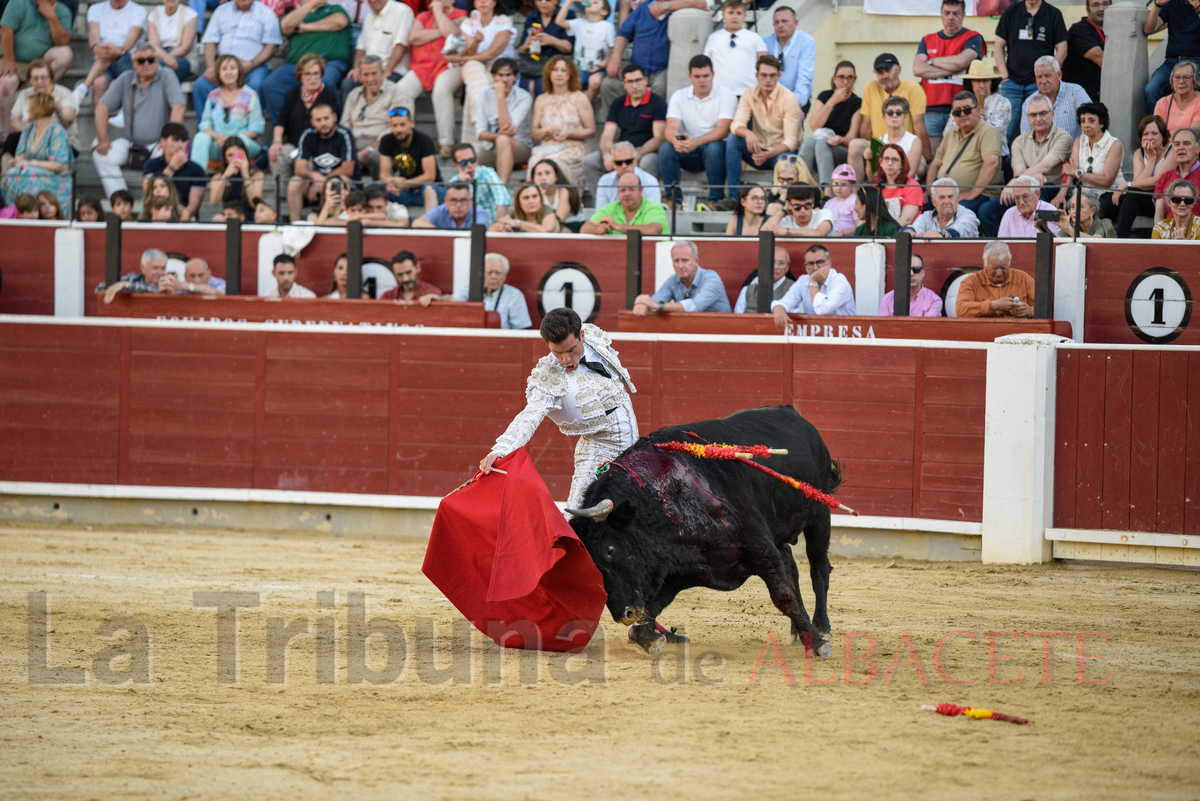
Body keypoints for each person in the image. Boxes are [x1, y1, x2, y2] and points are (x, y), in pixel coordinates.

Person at [479, 308, 642, 530]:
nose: (566, 359)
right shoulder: (549, 375)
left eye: (572, 350)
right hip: (599, 447)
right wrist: (500, 450)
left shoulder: (594, 337)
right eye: (557, 353)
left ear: (582, 336)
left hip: (633, 440)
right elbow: (530, 415)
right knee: (576, 519)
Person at [92, 41, 186, 198]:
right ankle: (121, 200)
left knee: (170, 155)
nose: (147, 64)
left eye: (151, 59)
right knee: (101, 155)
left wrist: (170, 140)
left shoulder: (166, 75)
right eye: (141, 61)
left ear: (157, 60)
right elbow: (102, 107)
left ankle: (156, 202)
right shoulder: (125, 78)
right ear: (133, 63)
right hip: (130, 143)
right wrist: (102, 139)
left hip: (159, 145)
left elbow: (179, 107)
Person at [978, 93, 1070, 236]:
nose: (1038, 118)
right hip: (1023, 189)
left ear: (1052, 114)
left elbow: (1045, 166)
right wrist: (1026, 180)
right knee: (987, 210)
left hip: (1051, 188)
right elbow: (1019, 174)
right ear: (1028, 118)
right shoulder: (1019, 141)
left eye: (1043, 113)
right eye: (1033, 115)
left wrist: (1013, 183)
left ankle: (1037, 246)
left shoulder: (1063, 137)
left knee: (1040, 191)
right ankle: (1003, 248)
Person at [597, 0, 707, 117]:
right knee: (609, 85)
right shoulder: (644, 7)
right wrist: (616, 58)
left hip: (661, 69)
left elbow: (702, 4)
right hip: (637, 67)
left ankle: (653, 130)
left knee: (661, 87)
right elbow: (623, 33)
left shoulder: (679, 5)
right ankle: (617, 129)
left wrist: (666, 6)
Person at [659, 54, 735, 210]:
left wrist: (696, 142)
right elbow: (671, 127)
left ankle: (715, 199)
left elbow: (723, 130)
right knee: (666, 148)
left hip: (714, 149)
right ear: (690, 77)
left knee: (714, 147)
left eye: (706, 76)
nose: (702, 80)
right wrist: (677, 141)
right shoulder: (679, 96)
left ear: (713, 75)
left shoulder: (726, 95)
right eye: (697, 76)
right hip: (690, 147)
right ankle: (673, 199)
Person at [393, 0, 467, 156]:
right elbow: (413, 38)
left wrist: (439, 13)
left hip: (450, 65)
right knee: (401, 90)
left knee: (441, 90)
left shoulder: (462, 15)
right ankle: (407, 141)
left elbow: (453, 34)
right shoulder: (423, 16)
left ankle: (446, 143)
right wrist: (442, 31)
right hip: (422, 66)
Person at [260, 0, 352, 124]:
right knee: (271, 84)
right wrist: (309, 5)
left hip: (328, 63)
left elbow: (340, 22)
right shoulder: (297, 14)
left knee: (324, 81)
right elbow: (286, 25)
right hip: (297, 66)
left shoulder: (334, 9)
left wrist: (306, 27)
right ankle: (284, 129)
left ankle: (330, 129)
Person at [725, 55, 801, 204]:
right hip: (757, 149)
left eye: (772, 75)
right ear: (757, 76)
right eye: (764, 75)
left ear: (779, 76)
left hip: (781, 152)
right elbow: (735, 124)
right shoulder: (749, 94)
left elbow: (791, 141)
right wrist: (748, 133)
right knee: (734, 140)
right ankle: (734, 197)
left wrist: (767, 155)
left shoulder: (789, 98)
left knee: (785, 159)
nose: (768, 80)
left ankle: (780, 201)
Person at [912, 0, 985, 155]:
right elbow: (918, 69)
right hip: (931, 109)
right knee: (933, 158)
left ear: (963, 15)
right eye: (947, 13)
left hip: (961, 110)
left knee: (959, 155)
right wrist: (952, 68)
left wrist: (931, 62)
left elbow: (962, 62)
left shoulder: (973, 38)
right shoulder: (927, 40)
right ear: (941, 14)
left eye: (956, 14)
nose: (951, 17)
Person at [445, 0, 517, 149]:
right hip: (477, 66)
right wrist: (476, 42)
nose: (483, 1)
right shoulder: (469, 22)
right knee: (473, 68)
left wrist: (460, 59)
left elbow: (491, 54)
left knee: (473, 75)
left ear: (495, 2)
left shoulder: (503, 21)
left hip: (501, 69)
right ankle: (486, 124)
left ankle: (480, 134)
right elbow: (471, 52)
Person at [848, 53, 930, 184]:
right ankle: (855, 195)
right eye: (880, 72)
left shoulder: (913, 87)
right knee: (855, 145)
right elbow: (866, 127)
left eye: (888, 70)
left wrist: (929, 159)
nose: (884, 76)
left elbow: (919, 126)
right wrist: (873, 152)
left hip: (906, 147)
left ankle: (898, 191)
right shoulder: (871, 87)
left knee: (920, 169)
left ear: (899, 70)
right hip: (880, 145)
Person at [190, 0, 281, 118]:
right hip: (223, 66)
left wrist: (253, 63)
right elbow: (210, 42)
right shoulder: (221, 11)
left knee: (256, 84)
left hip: (254, 66)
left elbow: (272, 46)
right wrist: (211, 66)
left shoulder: (266, 13)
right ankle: (205, 130)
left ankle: (248, 131)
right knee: (201, 85)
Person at [584, 63, 666, 191]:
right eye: (630, 82)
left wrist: (637, 155)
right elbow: (607, 135)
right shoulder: (618, 103)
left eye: (638, 80)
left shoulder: (658, 103)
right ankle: (603, 206)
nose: (635, 86)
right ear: (624, 84)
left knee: (648, 162)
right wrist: (607, 154)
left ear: (646, 80)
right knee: (589, 162)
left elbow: (659, 138)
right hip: (623, 150)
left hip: (646, 152)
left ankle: (645, 205)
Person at [994, 0, 1068, 142]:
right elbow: (998, 46)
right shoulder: (1011, 12)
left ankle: (1036, 163)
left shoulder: (1053, 14)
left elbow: (1063, 48)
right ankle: (997, 162)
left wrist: (1049, 76)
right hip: (1011, 83)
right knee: (1001, 128)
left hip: (1039, 84)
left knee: (1040, 126)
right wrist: (1004, 76)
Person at [269, 54, 342, 188]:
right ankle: (282, 197)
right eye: (308, 74)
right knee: (278, 154)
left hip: (318, 147)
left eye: (316, 73)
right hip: (294, 145)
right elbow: (281, 121)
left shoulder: (329, 94)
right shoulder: (292, 94)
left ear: (321, 74)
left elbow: (333, 124)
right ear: (300, 76)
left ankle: (305, 197)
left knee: (306, 160)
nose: (312, 78)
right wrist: (277, 141)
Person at [926, 90, 1003, 217]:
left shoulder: (988, 132)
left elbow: (991, 162)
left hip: (980, 194)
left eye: (967, 110)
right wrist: (930, 191)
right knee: (920, 208)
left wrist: (973, 193)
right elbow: (935, 164)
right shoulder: (951, 134)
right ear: (953, 116)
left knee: (953, 212)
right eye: (957, 112)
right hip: (946, 195)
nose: (962, 114)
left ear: (978, 110)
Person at [0, 0, 72, 132]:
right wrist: (9, 61)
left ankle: (34, 89)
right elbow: (6, 30)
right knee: (6, 82)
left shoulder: (63, 11)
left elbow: (62, 41)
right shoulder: (18, 3)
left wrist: (52, 17)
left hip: (41, 64)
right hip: (15, 60)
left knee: (65, 53)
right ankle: (6, 131)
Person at [528, 54, 595, 184]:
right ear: (549, 73)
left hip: (573, 147)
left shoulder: (579, 97)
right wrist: (546, 131)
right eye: (555, 70)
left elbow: (591, 130)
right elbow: (533, 133)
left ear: (570, 74)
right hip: (548, 147)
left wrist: (569, 134)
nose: (559, 74)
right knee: (534, 161)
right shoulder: (541, 99)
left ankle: (563, 200)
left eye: (563, 70)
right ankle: (538, 200)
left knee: (553, 163)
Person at [287, 102, 357, 222]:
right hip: (317, 186)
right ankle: (295, 225)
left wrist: (323, 181)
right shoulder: (308, 135)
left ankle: (340, 222)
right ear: (312, 122)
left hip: (339, 183)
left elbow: (348, 169)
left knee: (338, 181)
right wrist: (315, 176)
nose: (323, 123)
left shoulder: (344, 134)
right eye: (318, 120)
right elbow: (299, 168)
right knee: (295, 182)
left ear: (334, 117)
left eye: (326, 118)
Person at [193, 55, 266, 169]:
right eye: (224, 69)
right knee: (201, 137)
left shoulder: (250, 95)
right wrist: (217, 137)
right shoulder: (213, 96)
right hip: (219, 144)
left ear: (239, 71)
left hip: (244, 142)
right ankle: (197, 180)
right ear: (218, 73)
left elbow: (256, 127)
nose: (229, 72)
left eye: (232, 68)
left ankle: (237, 180)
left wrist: (232, 140)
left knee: (240, 142)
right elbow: (205, 124)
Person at [0, 89, 68, 211]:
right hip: (30, 170)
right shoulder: (29, 128)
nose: (27, 110)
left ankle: (30, 211)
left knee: (28, 173)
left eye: (30, 107)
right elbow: (20, 153)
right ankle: (12, 212)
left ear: (39, 109)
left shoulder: (57, 131)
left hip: (54, 177)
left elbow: (60, 165)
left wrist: (31, 163)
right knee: (10, 174)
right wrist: (19, 161)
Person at [5, 58, 77, 171]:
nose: (39, 81)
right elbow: (14, 120)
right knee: (12, 139)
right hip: (31, 138)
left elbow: (69, 119)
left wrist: (60, 112)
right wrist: (30, 134)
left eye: (44, 78)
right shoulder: (25, 94)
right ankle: (7, 176)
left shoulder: (63, 93)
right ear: (30, 80)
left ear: (51, 79)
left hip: (58, 138)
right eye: (35, 78)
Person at [73, 0, 145, 110]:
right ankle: (100, 123)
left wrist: (119, 51)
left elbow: (132, 38)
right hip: (102, 60)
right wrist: (97, 48)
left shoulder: (138, 10)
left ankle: (83, 87)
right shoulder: (96, 9)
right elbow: (93, 34)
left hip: (127, 58)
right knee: (98, 82)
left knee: (110, 53)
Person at [800, 61, 862, 188]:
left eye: (850, 77)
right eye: (841, 77)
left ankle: (827, 191)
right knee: (808, 143)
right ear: (834, 79)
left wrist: (840, 139)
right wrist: (833, 101)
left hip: (841, 147)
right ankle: (802, 187)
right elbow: (814, 125)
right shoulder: (825, 96)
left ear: (855, 79)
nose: (845, 82)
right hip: (820, 147)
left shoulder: (857, 103)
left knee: (822, 144)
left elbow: (851, 138)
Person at [1111, 115, 1173, 238]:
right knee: (1125, 197)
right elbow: (1138, 183)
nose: (1149, 137)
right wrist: (1151, 160)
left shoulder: (1171, 151)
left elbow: (1157, 181)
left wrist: (1125, 184)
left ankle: (1120, 238)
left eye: (1154, 133)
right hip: (1148, 200)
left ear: (1163, 135)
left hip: (1166, 201)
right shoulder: (1139, 153)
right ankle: (1119, 239)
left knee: (1131, 191)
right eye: (1145, 134)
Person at [343, 55, 405, 177]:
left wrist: (368, 151)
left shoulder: (397, 93)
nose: (370, 79)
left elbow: (398, 128)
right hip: (354, 143)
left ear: (383, 73)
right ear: (360, 76)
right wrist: (349, 150)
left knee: (378, 156)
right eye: (366, 75)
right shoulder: (353, 95)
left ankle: (382, 192)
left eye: (374, 73)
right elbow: (345, 125)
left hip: (384, 144)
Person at [632, 239, 731, 315]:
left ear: (696, 261)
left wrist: (658, 306)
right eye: (676, 261)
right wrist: (643, 303)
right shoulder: (673, 280)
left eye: (685, 260)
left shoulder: (711, 278)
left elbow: (694, 306)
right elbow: (652, 302)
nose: (680, 266)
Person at [1061, 102, 1123, 218]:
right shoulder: (1079, 141)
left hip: (1110, 195)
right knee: (1062, 204)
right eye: (1083, 121)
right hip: (1084, 194)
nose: (1086, 125)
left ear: (1102, 123)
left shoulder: (1114, 144)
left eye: (1091, 120)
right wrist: (1062, 192)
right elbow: (1069, 170)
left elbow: (1107, 181)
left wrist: (1078, 173)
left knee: (1095, 209)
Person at [475, 57, 532, 183]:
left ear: (515, 77)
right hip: (491, 146)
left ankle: (502, 190)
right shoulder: (484, 93)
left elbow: (508, 128)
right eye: (500, 75)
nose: (504, 80)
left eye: (508, 75)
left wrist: (500, 97)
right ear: (494, 76)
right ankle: (473, 195)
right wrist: (496, 136)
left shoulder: (524, 97)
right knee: (469, 153)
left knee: (503, 140)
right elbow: (480, 132)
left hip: (519, 146)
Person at [771, 244, 855, 327]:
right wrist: (778, 308)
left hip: (843, 335)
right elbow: (785, 302)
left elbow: (822, 309)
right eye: (811, 263)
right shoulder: (803, 280)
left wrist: (813, 282)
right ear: (806, 266)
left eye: (819, 262)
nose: (815, 268)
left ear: (829, 263)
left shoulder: (839, 281)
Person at [942, 58, 1011, 159]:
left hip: (993, 155)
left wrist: (981, 124)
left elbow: (996, 134)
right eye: (978, 81)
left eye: (986, 81)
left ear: (992, 82)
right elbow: (948, 132)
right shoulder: (962, 102)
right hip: (964, 154)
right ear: (971, 83)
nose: (982, 86)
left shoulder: (1002, 103)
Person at [1143, 0, 1200, 118]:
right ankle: (1155, 131)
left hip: (1197, 60)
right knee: (1151, 90)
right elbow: (1148, 29)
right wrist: (1158, 5)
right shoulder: (1172, 3)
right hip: (1173, 61)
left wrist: (1197, 7)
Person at [344, 0, 414, 96]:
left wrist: (387, 72)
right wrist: (357, 68)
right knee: (348, 83)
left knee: (381, 90)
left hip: (393, 70)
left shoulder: (402, 12)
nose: (373, 1)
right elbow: (361, 48)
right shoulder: (369, 16)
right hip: (369, 70)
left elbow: (401, 46)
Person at [378, 105, 442, 211]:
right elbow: (384, 173)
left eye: (403, 124)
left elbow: (430, 176)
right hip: (402, 191)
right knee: (377, 187)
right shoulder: (386, 140)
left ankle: (429, 224)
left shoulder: (424, 140)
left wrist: (405, 184)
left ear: (412, 123)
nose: (399, 129)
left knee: (429, 189)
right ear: (390, 126)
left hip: (428, 190)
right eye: (395, 125)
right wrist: (391, 181)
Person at [447, 252, 532, 329]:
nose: (493, 276)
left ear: (505, 276)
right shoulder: (471, 289)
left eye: (498, 273)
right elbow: (451, 300)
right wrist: (438, 298)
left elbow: (520, 331)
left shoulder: (514, 295)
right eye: (489, 272)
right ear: (482, 274)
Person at [701, 0, 765, 99]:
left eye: (739, 13)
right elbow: (706, 64)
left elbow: (763, 63)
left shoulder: (755, 38)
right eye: (730, 13)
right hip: (720, 93)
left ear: (744, 16)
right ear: (723, 15)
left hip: (749, 93)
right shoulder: (713, 38)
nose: (734, 17)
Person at [142, 122, 205, 221]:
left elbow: (194, 205)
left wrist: (182, 217)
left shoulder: (196, 169)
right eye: (175, 140)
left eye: (184, 141)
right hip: (155, 214)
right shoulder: (151, 165)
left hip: (183, 217)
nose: (180, 145)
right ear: (163, 142)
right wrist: (172, 167)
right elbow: (149, 192)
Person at [955, 240, 1035, 318]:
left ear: (1009, 263)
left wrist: (1031, 311)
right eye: (994, 268)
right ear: (985, 264)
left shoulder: (1023, 279)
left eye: (1003, 267)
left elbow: (1045, 308)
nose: (999, 273)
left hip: (1018, 329)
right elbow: (960, 310)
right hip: (984, 330)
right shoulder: (971, 282)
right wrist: (993, 305)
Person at [1018, 55, 1090, 141]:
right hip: (1042, 153)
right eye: (1039, 77)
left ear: (1059, 75)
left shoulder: (1075, 92)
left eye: (1047, 76)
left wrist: (1079, 150)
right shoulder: (1029, 102)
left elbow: (1091, 124)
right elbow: (1026, 138)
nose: (1043, 81)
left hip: (1075, 152)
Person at [762, 5, 816, 113]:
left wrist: (794, 104)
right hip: (770, 100)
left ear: (795, 23)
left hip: (796, 99)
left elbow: (804, 77)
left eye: (784, 21)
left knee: (791, 127)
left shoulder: (806, 42)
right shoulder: (764, 42)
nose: (780, 25)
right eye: (776, 22)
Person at [556, 0, 613, 103]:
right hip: (579, 68)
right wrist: (570, 1)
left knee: (594, 82)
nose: (591, 2)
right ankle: (572, 106)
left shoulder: (607, 27)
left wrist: (604, 65)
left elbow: (614, 51)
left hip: (599, 69)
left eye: (596, 2)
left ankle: (587, 105)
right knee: (571, 82)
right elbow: (559, 21)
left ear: (604, 12)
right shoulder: (579, 23)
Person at [581, 170, 667, 235]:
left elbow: (653, 230)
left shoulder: (653, 207)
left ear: (641, 190)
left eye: (631, 189)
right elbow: (584, 229)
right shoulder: (611, 208)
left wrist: (616, 227)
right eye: (622, 190)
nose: (627, 194)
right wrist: (598, 229)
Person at [514, 0, 572, 98]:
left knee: (540, 84)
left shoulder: (567, 15)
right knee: (528, 85)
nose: (543, 3)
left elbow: (569, 47)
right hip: (534, 63)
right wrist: (526, 45)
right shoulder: (532, 17)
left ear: (557, 1)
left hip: (557, 62)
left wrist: (551, 40)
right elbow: (521, 49)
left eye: (548, 0)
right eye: (540, 0)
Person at [450, 141, 509, 224]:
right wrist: (463, 184)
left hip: (491, 227)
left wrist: (497, 225)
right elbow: (450, 211)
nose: (469, 165)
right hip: (466, 229)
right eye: (464, 163)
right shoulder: (453, 182)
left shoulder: (487, 172)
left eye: (472, 160)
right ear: (456, 165)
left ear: (476, 159)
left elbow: (503, 198)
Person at [868, 95, 922, 182]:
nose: (894, 115)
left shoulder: (914, 141)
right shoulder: (879, 141)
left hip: (905, 187)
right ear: (884, 118)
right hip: (884, 188)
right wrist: (868, 160)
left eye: (898, 113)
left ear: (905, 117)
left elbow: (910, 173)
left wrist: (892, 188)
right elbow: (873, 176)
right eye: (890, 113)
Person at [1153, 127, 1200, 224]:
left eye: (1186, 143)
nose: (1180, 148)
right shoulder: (1165, 177)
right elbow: (1159, 214)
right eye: (1177, 144)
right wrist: (1159, 236)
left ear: (1197, 149)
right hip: (1170, 234)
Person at [908, 177, 980, 237]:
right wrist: (908, 232)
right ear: (933, 201)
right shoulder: (926, 216)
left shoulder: (968, 215)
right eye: (941, 197)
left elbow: (960, 230)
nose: (946, 202)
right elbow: (915, 228)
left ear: (958, 198)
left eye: (950, 197)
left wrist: (941, 234)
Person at [595, 140, 660, 207]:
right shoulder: (604, 181)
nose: (624, 166)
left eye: (628, 161)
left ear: (635, 161)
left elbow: (654, 212)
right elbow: (600, 213)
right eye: (619, 163)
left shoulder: (650, 181)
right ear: (613, 164)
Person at [1063, 0, 1105, 103]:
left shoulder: (1114, 29)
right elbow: (1100, 58)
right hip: (1080, 97)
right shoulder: (1079, 30)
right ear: (1087, 8)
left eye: (1105, 4)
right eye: (1095, 5)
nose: (1101, 8)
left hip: (1101, 93)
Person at [877, 252, 942, 317]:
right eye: (906, 270)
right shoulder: (888, 299)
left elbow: (926, 326)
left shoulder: (934, 300)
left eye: (916, 270)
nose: (911, 273)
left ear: (923, 273)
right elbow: (884, 325)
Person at [146, 0, 197, 83]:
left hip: (182, 58)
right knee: (146, 68)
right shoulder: (154, 15)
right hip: (160, 57)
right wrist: (165, 57)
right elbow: (153, 45)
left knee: (157, 68)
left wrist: (168, 57)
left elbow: (185, 47)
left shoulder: (190, 15)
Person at [209, 136, 265, 209]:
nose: (234, 159)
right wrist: (225, 176)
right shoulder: (218, 177)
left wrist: (245, 175)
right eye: (230, 155)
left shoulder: (257, 175)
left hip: (250, 217)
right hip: (229, 216)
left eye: (237, 155)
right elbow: (214, 202)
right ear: (225, 158)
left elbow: (255, 204)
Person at [734, 245, 794, 314]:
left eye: (781, 263)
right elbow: (737, 319)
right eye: (772, 262)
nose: (776, 267)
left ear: (787, 267)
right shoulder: (747, 290)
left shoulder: (795, 289)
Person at [96, 247, 170, 303]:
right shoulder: (133, 279)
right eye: (155, 268)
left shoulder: (168, 283)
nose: (160, 272)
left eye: (163, 268)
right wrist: (116, 287)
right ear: (143, 268)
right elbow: (100, 288)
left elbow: (155, 290)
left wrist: (127, 286)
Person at [876, 143, 923, 227]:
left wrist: (883, 231)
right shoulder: (876, 186)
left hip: (905, 235)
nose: (890, 163)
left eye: (894, 159)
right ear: (881, 162)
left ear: (902, 164)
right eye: (886, 159)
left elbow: (906, 220)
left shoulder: (912, 186)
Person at [1151, 60, 1200, 138]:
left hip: (1192, 147)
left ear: (1194, 81)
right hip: (1168, 148)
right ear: (1172, 81)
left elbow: (1194, 133)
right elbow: (1157, 133)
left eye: (1186, 77)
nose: (1181, 81)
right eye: (1177, 77)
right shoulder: (1162, 103)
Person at [763, 183, 833, 237]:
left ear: (813, 202)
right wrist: (783, 210)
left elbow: (819, 233)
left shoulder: (824, 213)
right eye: (797, 207)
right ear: (789, 205)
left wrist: (787, 231)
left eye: (807, 205)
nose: (803, 211)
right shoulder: (786, 219)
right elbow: (764, 231)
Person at [413, 180, 490, 229]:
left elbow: (480, 231)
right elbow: (417, 223)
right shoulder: (440, 210)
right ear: (446, 201)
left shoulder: (479, 213)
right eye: (454, 200)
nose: (459, 205)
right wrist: (443, 233)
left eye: (463, 200)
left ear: (470, 201)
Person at [492, 181, 562, 232]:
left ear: (540, 199)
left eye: (534, 196)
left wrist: (517, 223)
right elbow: (491, 229)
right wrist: (503, 226)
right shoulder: (514, 213)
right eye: (526, 198)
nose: (531, 201)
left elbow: (546, 230)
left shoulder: (547, 210)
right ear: (518, 202)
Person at [531, 156, 581, 225]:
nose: (543, 178)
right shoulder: (532, 193)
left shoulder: (563, 191)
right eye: (539, 174)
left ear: (556, 176)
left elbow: (560, 220)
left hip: (571, 225)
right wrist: (539, 195)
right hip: (546, 228)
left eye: (547, 173)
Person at [824, 164, 858, 235]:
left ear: (852, 186)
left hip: (848, 238)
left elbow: (859, 225)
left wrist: (843, 233)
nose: (839, 187)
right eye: (836, 183)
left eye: (843, 184)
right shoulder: (829, 203)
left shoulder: (855, 201)